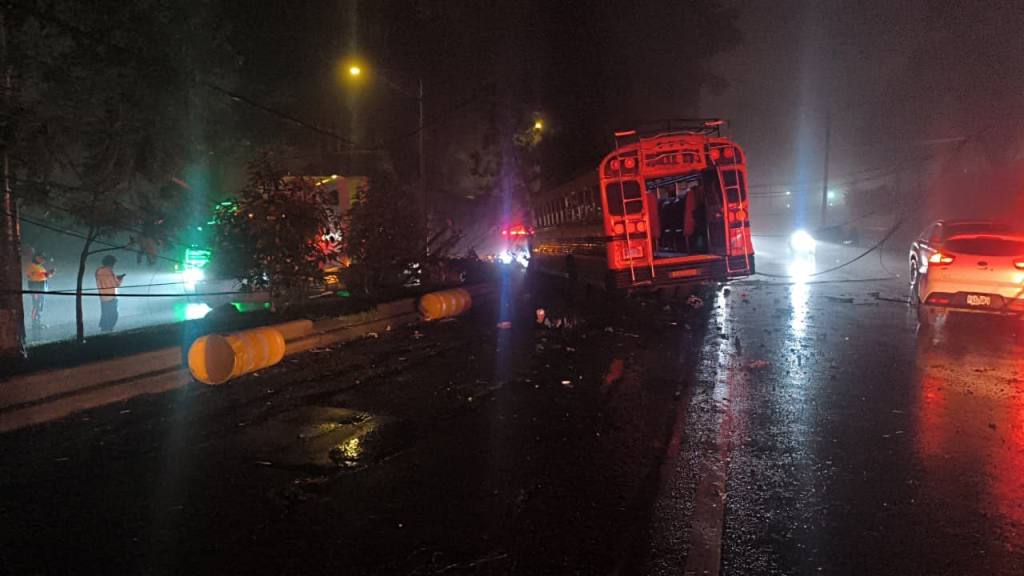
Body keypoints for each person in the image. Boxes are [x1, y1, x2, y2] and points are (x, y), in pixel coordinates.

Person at [95, 255, 125, 332]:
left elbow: (104, 281)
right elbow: (116, 284)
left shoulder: (98, 271)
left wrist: (115, 278)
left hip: (102, 296)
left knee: (105, 314)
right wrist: (120, 279)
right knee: (113, 315)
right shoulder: (109, 271)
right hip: (111, 297)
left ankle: (103, 329)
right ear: (111, 263)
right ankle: (108, 330)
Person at [25, 254, 54, 327]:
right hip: (36, 288)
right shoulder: (31, 266)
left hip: (41, 288)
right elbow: (30, 276)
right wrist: (45, 274)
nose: (43, 260)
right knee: (36, 305)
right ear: (36, 258)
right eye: (41, 258)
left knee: (40, 305)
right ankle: (34, 323)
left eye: (43, 259)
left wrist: (49, 274)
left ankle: (38, 321)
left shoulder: (40, 267)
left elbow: (44, 276)